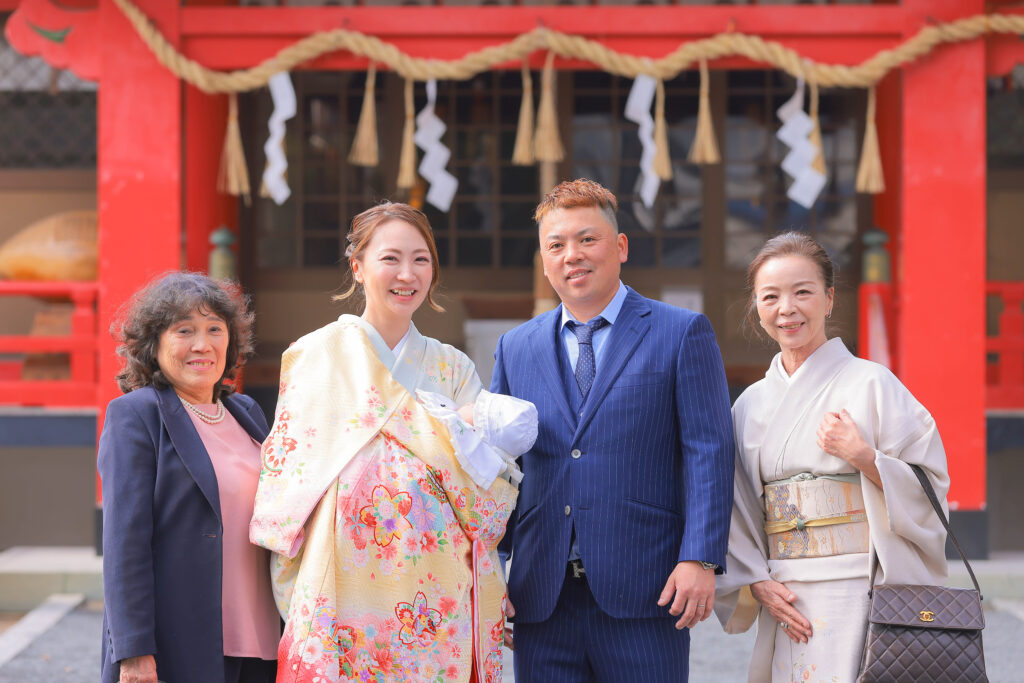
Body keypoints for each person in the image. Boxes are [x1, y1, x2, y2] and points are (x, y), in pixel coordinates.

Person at [249, 202, 535, 683]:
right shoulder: (314, 356)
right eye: (390, 258)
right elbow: (285, 487)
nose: (407, 274)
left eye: (421, 259)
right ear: (358, 267)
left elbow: (488, 483)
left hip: (437, 591)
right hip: (344, 588)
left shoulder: (452, 368)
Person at [490, 178, 735, 682]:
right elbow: (501, 467)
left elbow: (708, 450)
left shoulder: (680, 332)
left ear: (620, 247)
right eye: (555, 245)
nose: (571, 255)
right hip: (542, 595)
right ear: (543, 260)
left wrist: (701, 558)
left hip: (647, 588)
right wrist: (490, 571)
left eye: (587, 239)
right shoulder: (516, 347)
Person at [715, 232, 950, 682]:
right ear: (757, 307)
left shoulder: (872, 384)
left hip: (858, 585)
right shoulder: (749, 405)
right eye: (771, 296)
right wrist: (755, 580)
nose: (787, 308)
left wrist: (865, 457)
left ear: (828, 299)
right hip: (785, 586)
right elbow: (733, 507)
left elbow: (932, 485)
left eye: (802, 292)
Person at [98, 272, 280, 683]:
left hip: (263, 635)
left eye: (215, 329)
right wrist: (133, 651)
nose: (203, 344)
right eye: (185, 331)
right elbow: (124, 543)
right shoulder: (137, 415)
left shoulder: (247, 412)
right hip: (179, 643)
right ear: (154, 344)